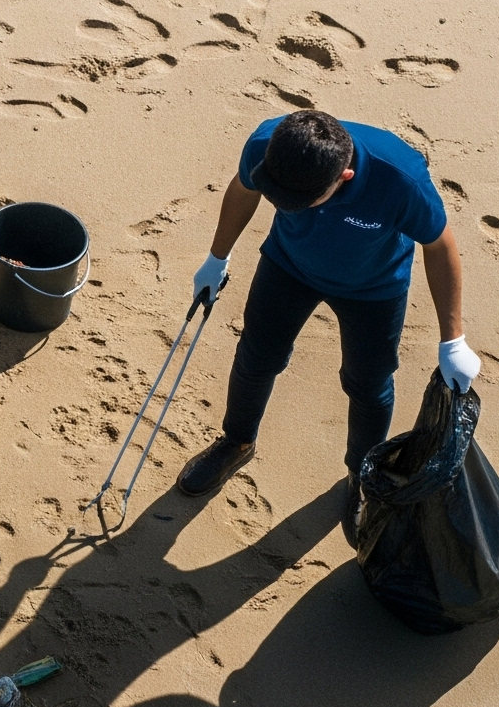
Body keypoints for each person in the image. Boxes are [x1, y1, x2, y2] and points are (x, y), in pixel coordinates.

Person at [177, 107, 479, 538]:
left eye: (295, 202)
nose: (281, 204)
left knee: (369, 385)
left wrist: (453, 340)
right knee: (257, 356)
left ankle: (361, 475)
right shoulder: (269, 143)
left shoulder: (401, 180)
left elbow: (439, 244)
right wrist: (216, 258)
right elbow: (245, 190)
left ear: (344, 178)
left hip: (373, 288)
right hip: (288, 264)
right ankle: (236, 442)